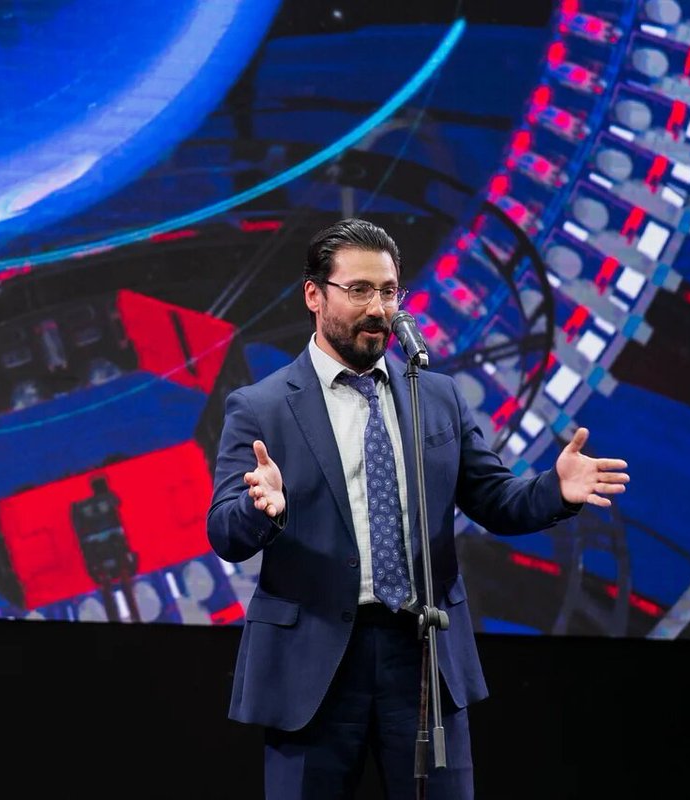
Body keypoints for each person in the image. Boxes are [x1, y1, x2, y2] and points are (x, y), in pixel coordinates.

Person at [206, 218, 629, 799]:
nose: (378, 308)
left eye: (388, 291)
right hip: (313, 665)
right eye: (359, 290)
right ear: (314, 295)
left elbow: (495, 499)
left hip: (423, 656)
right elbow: (224, 531)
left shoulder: (435, 395)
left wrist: (553, 489)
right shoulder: (261, 406)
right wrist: (262, 509)